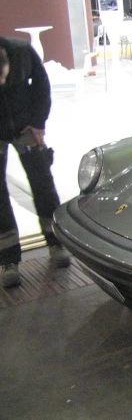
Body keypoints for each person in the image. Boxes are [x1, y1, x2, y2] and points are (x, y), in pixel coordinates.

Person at [0, 37, 70, 288]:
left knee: (42, 181)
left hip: (25, 125)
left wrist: (38, 121)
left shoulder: (21, 51)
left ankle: (56, 242)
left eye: (4, 79)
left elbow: (41, 84)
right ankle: (8, 258)